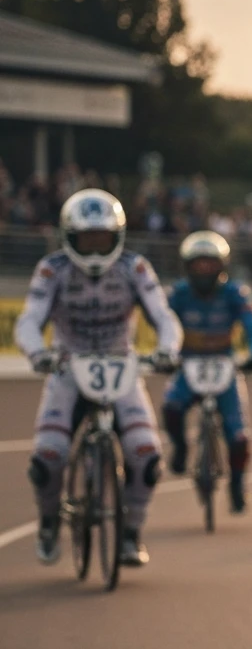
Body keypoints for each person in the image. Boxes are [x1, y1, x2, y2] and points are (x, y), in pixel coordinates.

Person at [15, 188, 181, 566]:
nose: (93, 249)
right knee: (47, 457)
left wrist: (168, 349)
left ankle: (131, 532)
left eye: (101, 239)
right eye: (85, 239)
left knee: (147, 454)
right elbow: (29, 319)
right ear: (69, 237)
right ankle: (48, 520)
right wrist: (37, 353)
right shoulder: (51, 268)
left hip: (122, 366)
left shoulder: (134, 267)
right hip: (67, 368)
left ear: (117, 237)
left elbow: (163, 315)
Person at [162, 231, 252, 513]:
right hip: (187, 366)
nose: (204, 270)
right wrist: (165, 354)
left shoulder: (235, 293)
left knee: (238, 436)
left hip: (225, 368)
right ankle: (181, 447)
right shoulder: (177, 295)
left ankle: (237, 484)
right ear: (187, 266)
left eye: (210, 264)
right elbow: (162, 324)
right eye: (198, 264)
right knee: (171, 407)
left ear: (222, 266)